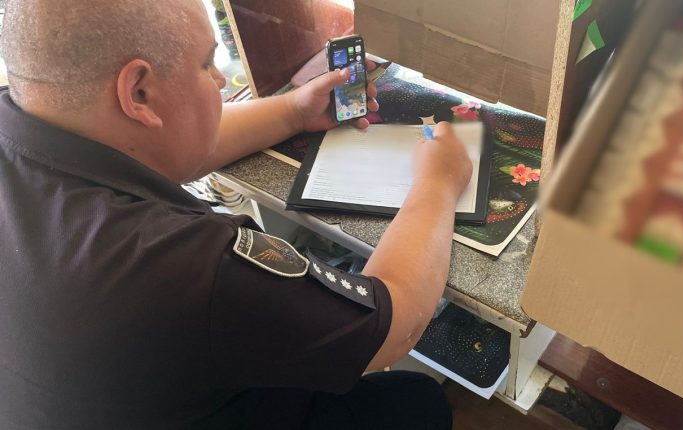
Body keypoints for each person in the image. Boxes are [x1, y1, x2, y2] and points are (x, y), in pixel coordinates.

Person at [0, 0, 473, 428]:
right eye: (206, 64)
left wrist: (294, 112)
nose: (221, 81)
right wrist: (439, 181)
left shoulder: (37, 127)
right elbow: (396, 325)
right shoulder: (179, 264)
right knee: (414, 403)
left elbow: (167, 145)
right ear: (138, 93)